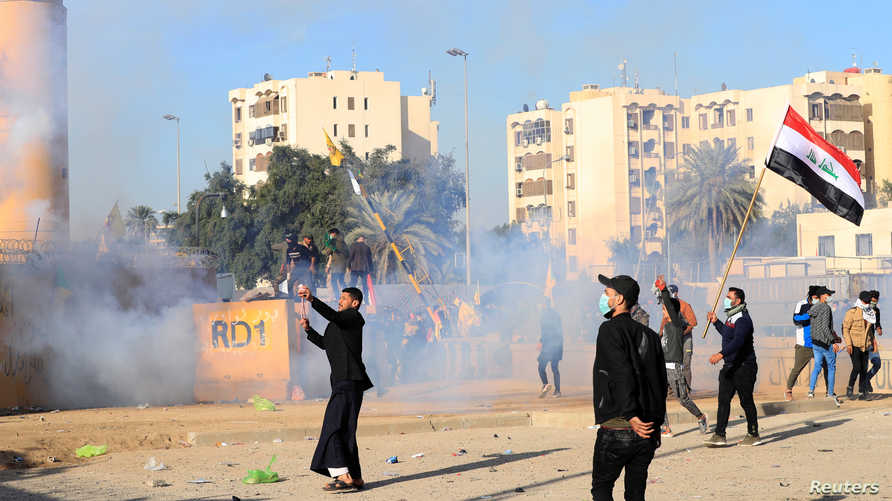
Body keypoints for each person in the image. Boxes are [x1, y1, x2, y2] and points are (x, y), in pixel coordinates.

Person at [592, 274, 667, 501]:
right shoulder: (651, 336)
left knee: (602, 488)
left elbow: (621, 372)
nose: (604, 297)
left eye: (607, 294)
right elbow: (660, 383)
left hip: (620, 425)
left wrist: (631, 414)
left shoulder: (609, 330)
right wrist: (655, 424)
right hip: (647, 430)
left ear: (619, 299)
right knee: (636, 494)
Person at [298, 286, 373, 492]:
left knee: (333, 427)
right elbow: (325, 344)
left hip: (348, 381)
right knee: (346, 429)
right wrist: (308, 330)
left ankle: (342, 474)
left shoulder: (353, 318)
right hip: (345, 382)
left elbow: (332, 315)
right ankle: (355, 477)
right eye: (339, 298)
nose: (340, 301)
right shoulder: (339, 324)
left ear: (355, 303)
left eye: (344, 298)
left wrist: (312, 299)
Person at [704, 287, 761, 446]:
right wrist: (716, 323)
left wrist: (720, 354)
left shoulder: (743, 319)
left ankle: (753, 433)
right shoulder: (731, 317)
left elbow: (738, 341)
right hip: (730, 366)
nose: (726, 299)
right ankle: (719, 435)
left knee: (746, 401)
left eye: (729, 297)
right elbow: (727, 334)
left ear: (738, 301)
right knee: (723, 399)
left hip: (744, 366)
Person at [654, 277, 708, 437]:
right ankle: (665, 427)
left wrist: (663, 289)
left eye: (666, 309)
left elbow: (672, 309)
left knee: (682, 399)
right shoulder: (666, 325)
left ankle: (701, 416)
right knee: (658, 398)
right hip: (663, 367)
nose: (663, 311)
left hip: (674, 368)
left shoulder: (677, 325)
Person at [785, 286, 828, 401]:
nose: (817, 299)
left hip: (819, 342)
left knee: (827, 366)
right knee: (797, 368)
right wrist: (809, 314)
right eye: (815, 297)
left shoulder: (822, 305)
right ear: (810, 296)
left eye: (818, 297)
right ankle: (788, 390)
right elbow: (796, 320)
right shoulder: (802, 304)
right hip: (804, 344)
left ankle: (830, 391)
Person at [806, 286, 842, 406]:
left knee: (817, 366)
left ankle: (811, 391)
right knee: (831, 367)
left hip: (815, 342)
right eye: (828, 295)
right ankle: (830, 393)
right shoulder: (826, 308)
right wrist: (833, 342)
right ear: (823, 296)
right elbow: (826, 327)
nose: (830, 297)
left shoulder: (814, 308)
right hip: (825, 343)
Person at [661, 284, 698, 389]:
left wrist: (681, 333)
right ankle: (672, 387)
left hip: (685, 339)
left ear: (676, 292)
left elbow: (693, 323)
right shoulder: (666, 306)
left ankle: (686, 388)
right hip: (672, 340)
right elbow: (664, 323)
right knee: (670, 363)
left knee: (685, 364)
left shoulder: (685, 305)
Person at [843, 291, 877, 400]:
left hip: (866, 345)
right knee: (857, 367)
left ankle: (862, 392)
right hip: (854, 345)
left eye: (868, 301)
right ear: (861, 300)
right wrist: (848, 344)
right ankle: (850, 388)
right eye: (865, 301)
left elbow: (870, 331)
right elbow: (845, 329)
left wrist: (873, 343)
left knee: (864, 369)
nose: (867, 303)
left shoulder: (870, 313)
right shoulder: (852, 312)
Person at [537, 304, 564, 398]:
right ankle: (558, 391)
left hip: (549, 347)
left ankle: (545, 384)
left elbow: (546, 333)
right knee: (555, 368)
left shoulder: (546, 318)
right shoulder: (556, 317)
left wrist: (541, 341)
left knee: (541, 367)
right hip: (557, 346)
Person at [323, 228, 349, 294]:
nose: (330, 235)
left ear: (334, 233)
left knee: (334, 282)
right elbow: (347, 253)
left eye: (330, 234)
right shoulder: (343, 242)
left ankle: (338, 297)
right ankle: (347, 294)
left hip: (336, 265)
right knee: (341, 281)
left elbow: (327, 252)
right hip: (343, 265)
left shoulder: (333, 242)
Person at [866, 291, 882, 392]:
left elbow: (878, 323)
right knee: (862, 366)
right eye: (872, 302)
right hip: (862, 342)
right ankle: (862, 389)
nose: (873, 304)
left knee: (877, 363)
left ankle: (867, 379)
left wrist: (879, 328)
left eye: (875, 302)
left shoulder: (877, 310)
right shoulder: (863, 310)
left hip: (872, 342)